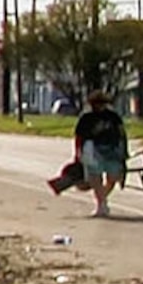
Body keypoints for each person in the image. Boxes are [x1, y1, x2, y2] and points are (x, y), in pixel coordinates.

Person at [57, 85, 130, 217]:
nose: (99, 107)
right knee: (94, 178)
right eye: (97, 104)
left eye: (102, 104)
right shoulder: (86, 117)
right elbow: (79, 137)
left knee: (113, 178)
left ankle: (101, 200)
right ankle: (101, 205)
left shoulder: (113, 116)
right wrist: (78, 154)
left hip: (112, 150)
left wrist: (124, 152)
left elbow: (121, 133)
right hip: (92, 150)